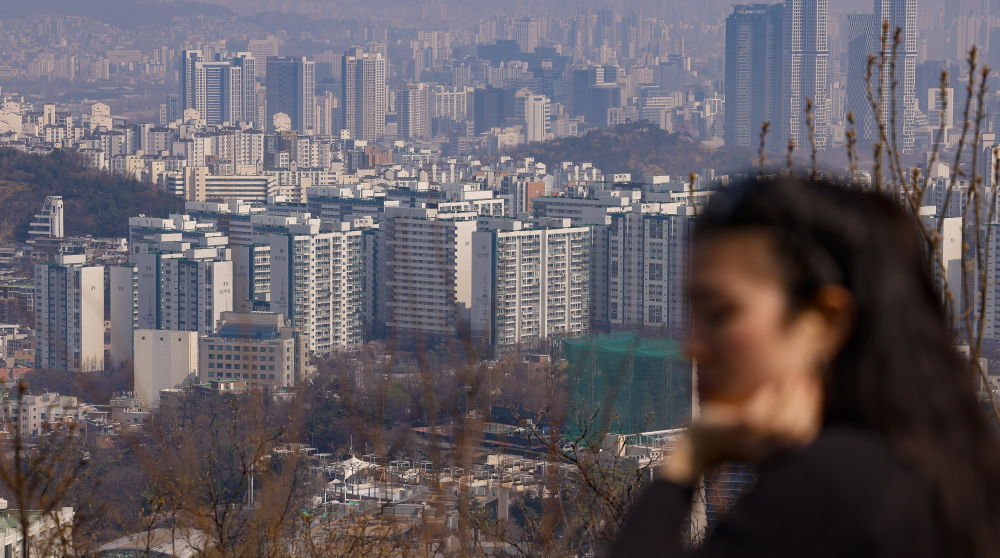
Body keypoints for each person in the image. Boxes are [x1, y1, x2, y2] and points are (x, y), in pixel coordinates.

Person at [609, 177, 1000, 558]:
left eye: (720, 313)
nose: (693, 346)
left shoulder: (830, 483)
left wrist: (688, 460)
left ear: (825, 321)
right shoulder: (932, 464)